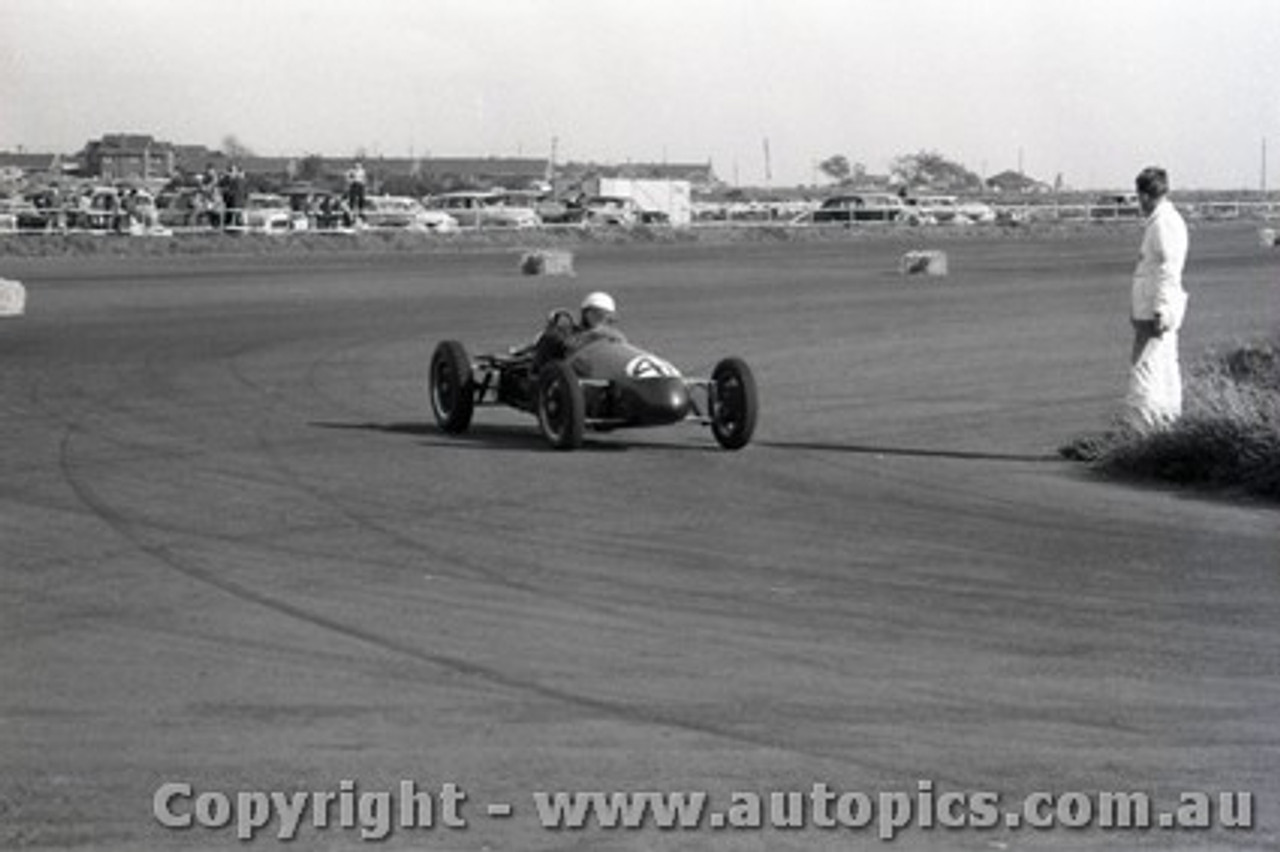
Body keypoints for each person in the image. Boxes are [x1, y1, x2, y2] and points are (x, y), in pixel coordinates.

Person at [1125, 166, 1189, 431]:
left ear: (1146, 195)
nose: (1139, 203)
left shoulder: (1164, 223)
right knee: (1163, 365)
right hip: (1153, 307)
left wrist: (1161, 309)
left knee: (1145, 366)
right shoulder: (1164, 221)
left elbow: (1168, 269)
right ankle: (1167, 425)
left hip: (1155, 309)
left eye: (1139, 196)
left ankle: (1142, 428)